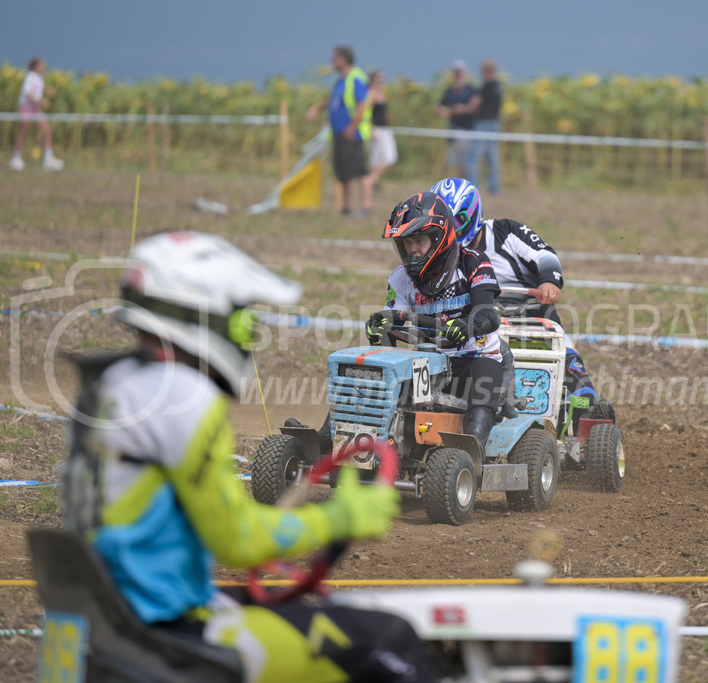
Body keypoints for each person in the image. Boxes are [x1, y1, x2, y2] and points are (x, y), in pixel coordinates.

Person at [59, 230, 436, 682]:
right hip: (167, 634)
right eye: (241, 316)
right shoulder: (181, 397)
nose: (248, 331)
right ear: (201, 312)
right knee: (392, 642)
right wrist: (339, 519)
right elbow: (237, 538)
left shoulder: (111, 385)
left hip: (110, 617)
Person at [429, 177, 615, 434]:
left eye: (455, 222)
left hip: (527, 312)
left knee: (560, 344)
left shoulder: (506, 232)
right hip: (475, 320)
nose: (449, 229)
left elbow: (544, 255)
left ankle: (585, 404)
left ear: (470, 215)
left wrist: (549, 280)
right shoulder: (437, 255)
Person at [367, 192, 503, 453]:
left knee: (484, 385)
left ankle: (471, 454)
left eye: (419, 240)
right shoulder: (401, 278)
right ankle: (335, 439)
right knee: (379, 382)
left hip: (476, 358)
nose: (413, 249)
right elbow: (391, 334)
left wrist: (468, 324)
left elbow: (488, 314)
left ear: (439, 239)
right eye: (407, 242)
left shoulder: (473, 261)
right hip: (429, 363)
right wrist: (379, 333)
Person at [306, 46, 373, 217]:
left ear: (343, 59)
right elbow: (334, 101)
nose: (332, 62)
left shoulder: (355, 78)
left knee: (360, 170)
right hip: (339, 134)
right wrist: (318, 108)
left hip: (352, 134)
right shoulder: (340, 81)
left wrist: (351, 128)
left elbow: (361, 104)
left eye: (335, 58)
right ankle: (346, 207)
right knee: (343, 172)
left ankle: (366, 206)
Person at [10, 56, 63, 171]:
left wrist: (47, 91)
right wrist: (41, 101)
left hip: (36, 109)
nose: (44, 67)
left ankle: (48, 159)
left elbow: (38, 90)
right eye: (42, 65)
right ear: (36, 66)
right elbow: (28, 93)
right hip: (28, 108)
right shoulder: (29, 77)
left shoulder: (39, 78)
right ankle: (15, 158)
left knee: (47, 131)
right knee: (23, 133)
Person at [464, 59, 502, 195]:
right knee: (492, 157)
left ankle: (470, 189)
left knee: (472, 157)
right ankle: (494, 188)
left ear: (485, 70)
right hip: (494, 124)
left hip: (483, 125)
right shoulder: (498, 85)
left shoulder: (486, 86)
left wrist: (458, 110)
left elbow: (474, 104)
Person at [435, 60, 478, 177]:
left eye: (460, 72)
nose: (458, 74)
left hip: (467, 130)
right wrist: (449, 113)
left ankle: (466, 185)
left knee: (466, 161)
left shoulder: (471, 90)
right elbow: (438, 107)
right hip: (453, 130)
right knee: (455, 161)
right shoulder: (450, 91)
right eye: (456, 72)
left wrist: (462, 109)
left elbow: (475, 106)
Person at [367, 70, 398, 190]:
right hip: (376, 130)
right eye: (379, 78)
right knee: (382, 158)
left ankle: (373, 180)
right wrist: (370, 129)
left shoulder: (382, 94)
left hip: (385, 129)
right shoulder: (371, 94)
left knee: (385, 158)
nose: (381, 80)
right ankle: (373, 180)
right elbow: (366, 113)